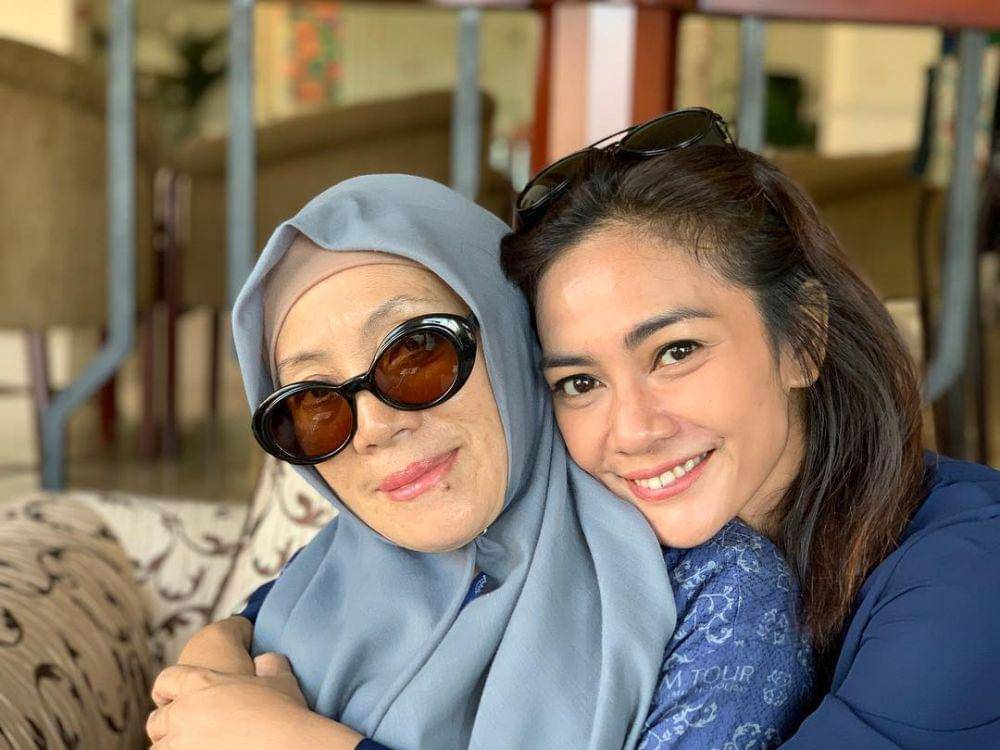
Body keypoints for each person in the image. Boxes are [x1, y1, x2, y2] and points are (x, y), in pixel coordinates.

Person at [147, 174, 814, 750]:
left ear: (513, 340)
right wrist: (215, 648)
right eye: (315, 400)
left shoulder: (719, 596)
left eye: (416, 353)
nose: (374, 427)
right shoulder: (323, 580)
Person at [499, 106, 1000, 749]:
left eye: (675, 351)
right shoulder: (626, 573)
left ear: (802, 339)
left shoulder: (970, 578)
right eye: (580, 382)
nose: (631, 430)